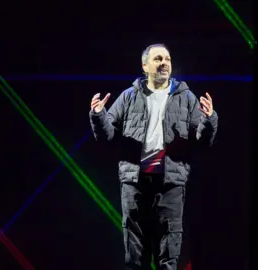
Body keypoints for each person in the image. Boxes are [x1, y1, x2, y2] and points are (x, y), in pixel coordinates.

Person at [89, 44, 218, 270]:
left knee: (168, 255)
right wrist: (98, 115)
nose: (164, 63)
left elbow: (203, 140)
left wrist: (209, 119)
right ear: (145, 66)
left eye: (167, 59)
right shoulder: (128, 97)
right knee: (135, 256)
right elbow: (107, 135)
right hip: (135, 184)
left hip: (170, 185)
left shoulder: (186, 97)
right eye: (158, 59)